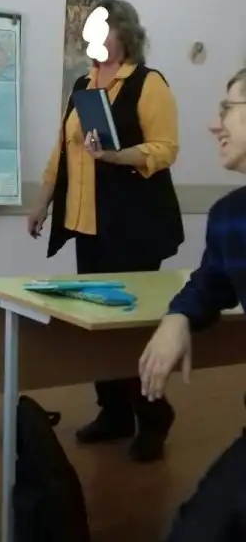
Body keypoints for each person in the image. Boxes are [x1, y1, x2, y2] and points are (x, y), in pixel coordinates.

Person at [28, 0, 184, 462]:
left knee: (129, 330)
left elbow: (165, 149)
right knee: (98, 325)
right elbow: (61, 152)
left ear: (124, 34)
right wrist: (41, 203)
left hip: (134, 228)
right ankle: (113, 413)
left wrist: (117, 156)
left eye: (102, 29)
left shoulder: (148, 83)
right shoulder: (83, 85)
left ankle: (153, 416)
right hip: (87, 226)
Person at [139, 67, 246, 540]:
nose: (212, 124)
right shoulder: (230, 218)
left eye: (227, 108)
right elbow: (208, 283)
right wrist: (178, 316)